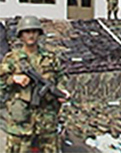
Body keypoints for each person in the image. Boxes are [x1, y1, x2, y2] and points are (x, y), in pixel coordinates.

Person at [0, 16, 70, 152]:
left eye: (34, 31)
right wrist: (13, 79)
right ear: (20, 35)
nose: (31, 35)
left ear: (39, 34)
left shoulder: (50, 58)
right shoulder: (11, 59)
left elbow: (60, 78)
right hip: (20, 124)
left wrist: (62, 91)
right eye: (27, 32)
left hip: (46, 123)